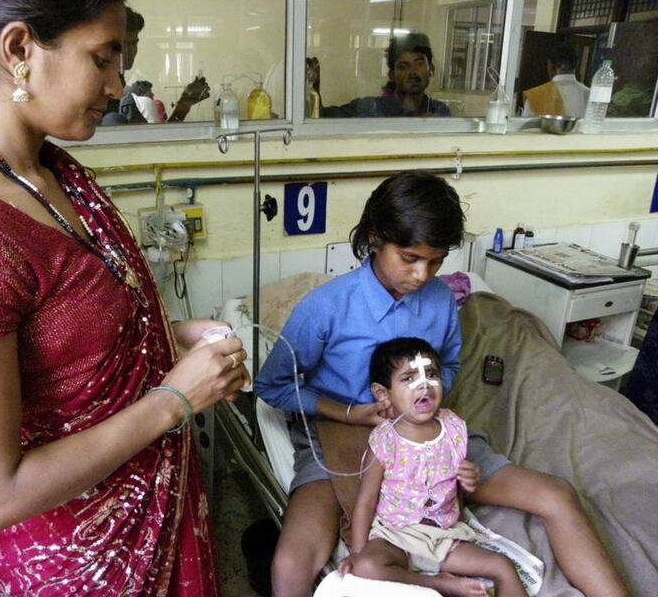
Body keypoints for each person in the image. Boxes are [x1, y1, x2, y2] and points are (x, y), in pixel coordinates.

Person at [0, 0, 249, 595]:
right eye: (102, 58)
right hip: (82, 564)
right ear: (18, 50)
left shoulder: (51, 174)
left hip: (155, 510)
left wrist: (166, 335)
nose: (116, 85)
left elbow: (68, 333)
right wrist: (174, 400)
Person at [254, 170, 628, 597]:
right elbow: (274, 386)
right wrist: (352, 412)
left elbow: (449, 363)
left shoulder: (439, 301)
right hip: (342, 434)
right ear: (375, 238)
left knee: (558, 496)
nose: (421, 275)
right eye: (410, 258)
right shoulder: (327, 307)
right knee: (290, 565)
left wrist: (421, 403)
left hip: (426, 434)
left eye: (435, 262)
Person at [338, 338, 525, 597]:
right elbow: (365, 502)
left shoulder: (454, 428)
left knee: (502, 566)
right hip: (396, 537)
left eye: (432, 374)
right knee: (368, 566)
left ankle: (430, 576)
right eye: (409, 378)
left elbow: (457, 484)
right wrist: (358, 555)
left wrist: (468, 478)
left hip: (443, 538)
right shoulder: (385, 440)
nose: (424, 384)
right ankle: (442, 584)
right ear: (383, 394)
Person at [101, 5, 209, 125]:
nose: (131, 51)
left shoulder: (124, 85)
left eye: (134, 44)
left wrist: (184, 104)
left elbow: (151, 139)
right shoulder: (125, 92)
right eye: (126, 44)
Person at [317, 32, 451, 118]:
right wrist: (313, 87)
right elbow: (320, 117)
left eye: (419, 64)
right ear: (392, 75)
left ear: (431, 69)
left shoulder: (440, 111)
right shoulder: (370, 109)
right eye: (403, 66)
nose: (412, 72)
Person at [522, 44, 589, 118]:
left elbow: (526, 128)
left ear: (551, 66)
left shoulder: (535, 96)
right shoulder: (590, 95)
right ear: (577, 64)